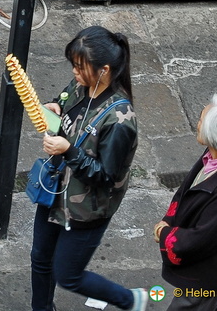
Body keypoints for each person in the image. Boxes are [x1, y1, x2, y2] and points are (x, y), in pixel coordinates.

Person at [31, 25, 148, 311]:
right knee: (40, 259)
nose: (74, 72)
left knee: (68, 276)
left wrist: (67, 150)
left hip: (86, 209)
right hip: (56, 190)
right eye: (73, 65)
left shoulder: (120, 121)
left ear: (104, 70)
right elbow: (63, 101)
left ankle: (131, 300)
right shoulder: (81, 86)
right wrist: (54, 109)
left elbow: (105, 176)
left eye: (80, 67)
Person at [153, 94, 217, 311]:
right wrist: (168, 219)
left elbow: (202, 238)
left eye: (201, 121)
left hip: (203, 275)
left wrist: (166, 235)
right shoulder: (212, 155)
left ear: (215, 135)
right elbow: (185, 191)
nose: (197, 124)